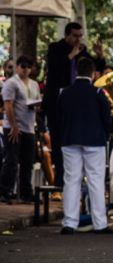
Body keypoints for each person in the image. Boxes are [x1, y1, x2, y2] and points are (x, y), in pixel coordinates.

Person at [43, 22, 106, 189]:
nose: (78, 39)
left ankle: (75, 177)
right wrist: (71, 55)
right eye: (75, 36)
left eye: (80, 36)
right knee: (57, 138)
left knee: (72, 140)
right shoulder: (55, 48)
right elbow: (54, 69)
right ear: (67, 35)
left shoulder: (82, 51)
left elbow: (94, 68)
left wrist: (100, 56)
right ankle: (59, 179)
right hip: (56, 100)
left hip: (75, 103)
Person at [58, 58, 112, 234]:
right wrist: (105, 136)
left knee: (71, 180)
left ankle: (69, 223)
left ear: (76, 72)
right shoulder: (98, 92)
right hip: (94, 141)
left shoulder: (65, 92)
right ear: (93, 73)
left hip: (70, 139)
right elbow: (106, 118)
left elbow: (59, 117)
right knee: (95, 180)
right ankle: (100, 223)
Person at [0, 56, 40, 204]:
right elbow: (8, 104)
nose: (26, 69)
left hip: (29, 126)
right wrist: (14, 125)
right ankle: (5, 191)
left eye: (28, 66)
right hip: (14, 127)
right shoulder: (11, 83)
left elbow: (37, 102)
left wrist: (36, 106)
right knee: (11, 160)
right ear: (17, 67)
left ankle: (26, 192)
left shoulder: (34, 84)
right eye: (23, 66)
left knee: (27, 162)